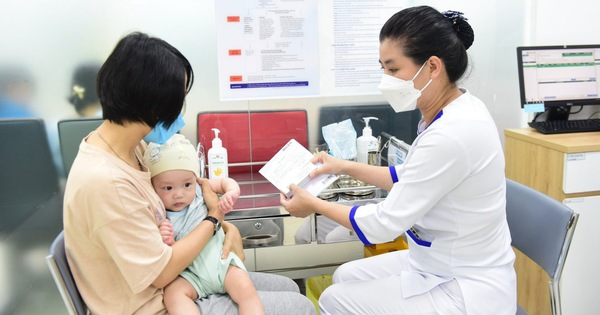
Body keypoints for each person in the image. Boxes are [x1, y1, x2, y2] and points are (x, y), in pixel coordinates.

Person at [280, 6, 516, 315]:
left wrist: (314, 205)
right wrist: (342, 165)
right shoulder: (452, 111)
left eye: (393, 70)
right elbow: (407, 174)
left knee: (332, 299)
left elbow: (382, 225)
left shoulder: (453, 133)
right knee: (344, 275)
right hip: (436, 261)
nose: (386, 80)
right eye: (383, 69)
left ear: (432, 67)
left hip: (467, 286)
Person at [63, 31, 315, 314]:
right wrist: (215, 218)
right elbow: (161, 272)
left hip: (179, 274)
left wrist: (225, 228)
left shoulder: (128, 148)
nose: (180, 112)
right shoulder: (105, 182)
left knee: (290, 287)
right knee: (299, 307)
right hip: (159, 302)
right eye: (178, 99)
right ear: (153, 102)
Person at [143, 134, 264, 315]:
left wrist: (232, 192)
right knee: (173, 295)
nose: (179, 194)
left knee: (247, 291)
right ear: (153, 186)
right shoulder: (159, 213)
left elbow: (225, 181)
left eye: (186, 184)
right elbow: (163, 254)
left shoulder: (201, 188)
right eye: (168, 188)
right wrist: (165, 238)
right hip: (190, 275)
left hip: (221, 265)